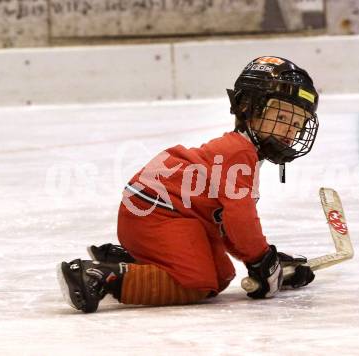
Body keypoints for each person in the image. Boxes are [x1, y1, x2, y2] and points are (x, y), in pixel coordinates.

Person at [57, 56, 319, 313]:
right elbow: (240, 220)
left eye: (297, 124)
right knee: (196, 281)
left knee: (221, 275)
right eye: (282, 118)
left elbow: (227, 225)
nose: (290, 131)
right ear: (247, 107)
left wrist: (267, 262)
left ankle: (135, 261)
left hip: (160, 212)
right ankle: (100, 276)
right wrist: (261, 259)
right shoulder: (239, 153)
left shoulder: (243, 154)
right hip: (156, 214)